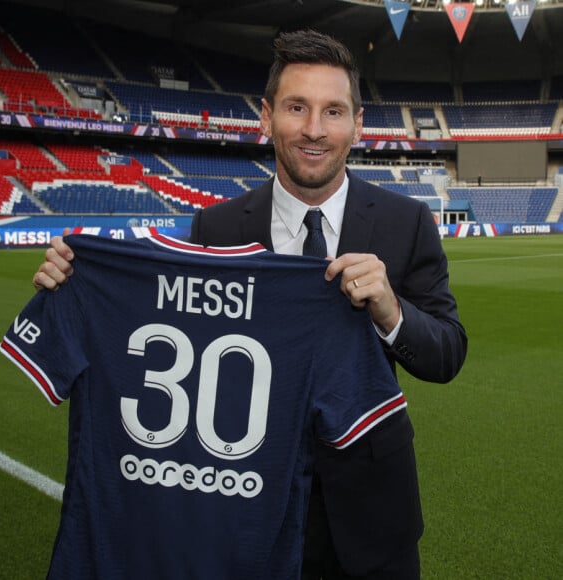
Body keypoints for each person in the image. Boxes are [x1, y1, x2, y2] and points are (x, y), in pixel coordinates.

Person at [32, 29, 467, 579]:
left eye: (333, 111)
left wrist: (390, 312)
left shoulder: (406, 222)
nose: (314, 129)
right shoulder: (214, 228)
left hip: (370, 510)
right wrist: (74, 283)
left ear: (358, 124)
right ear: (265, 117)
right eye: (296, 108)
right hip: (244, 501)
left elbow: (448, 354)